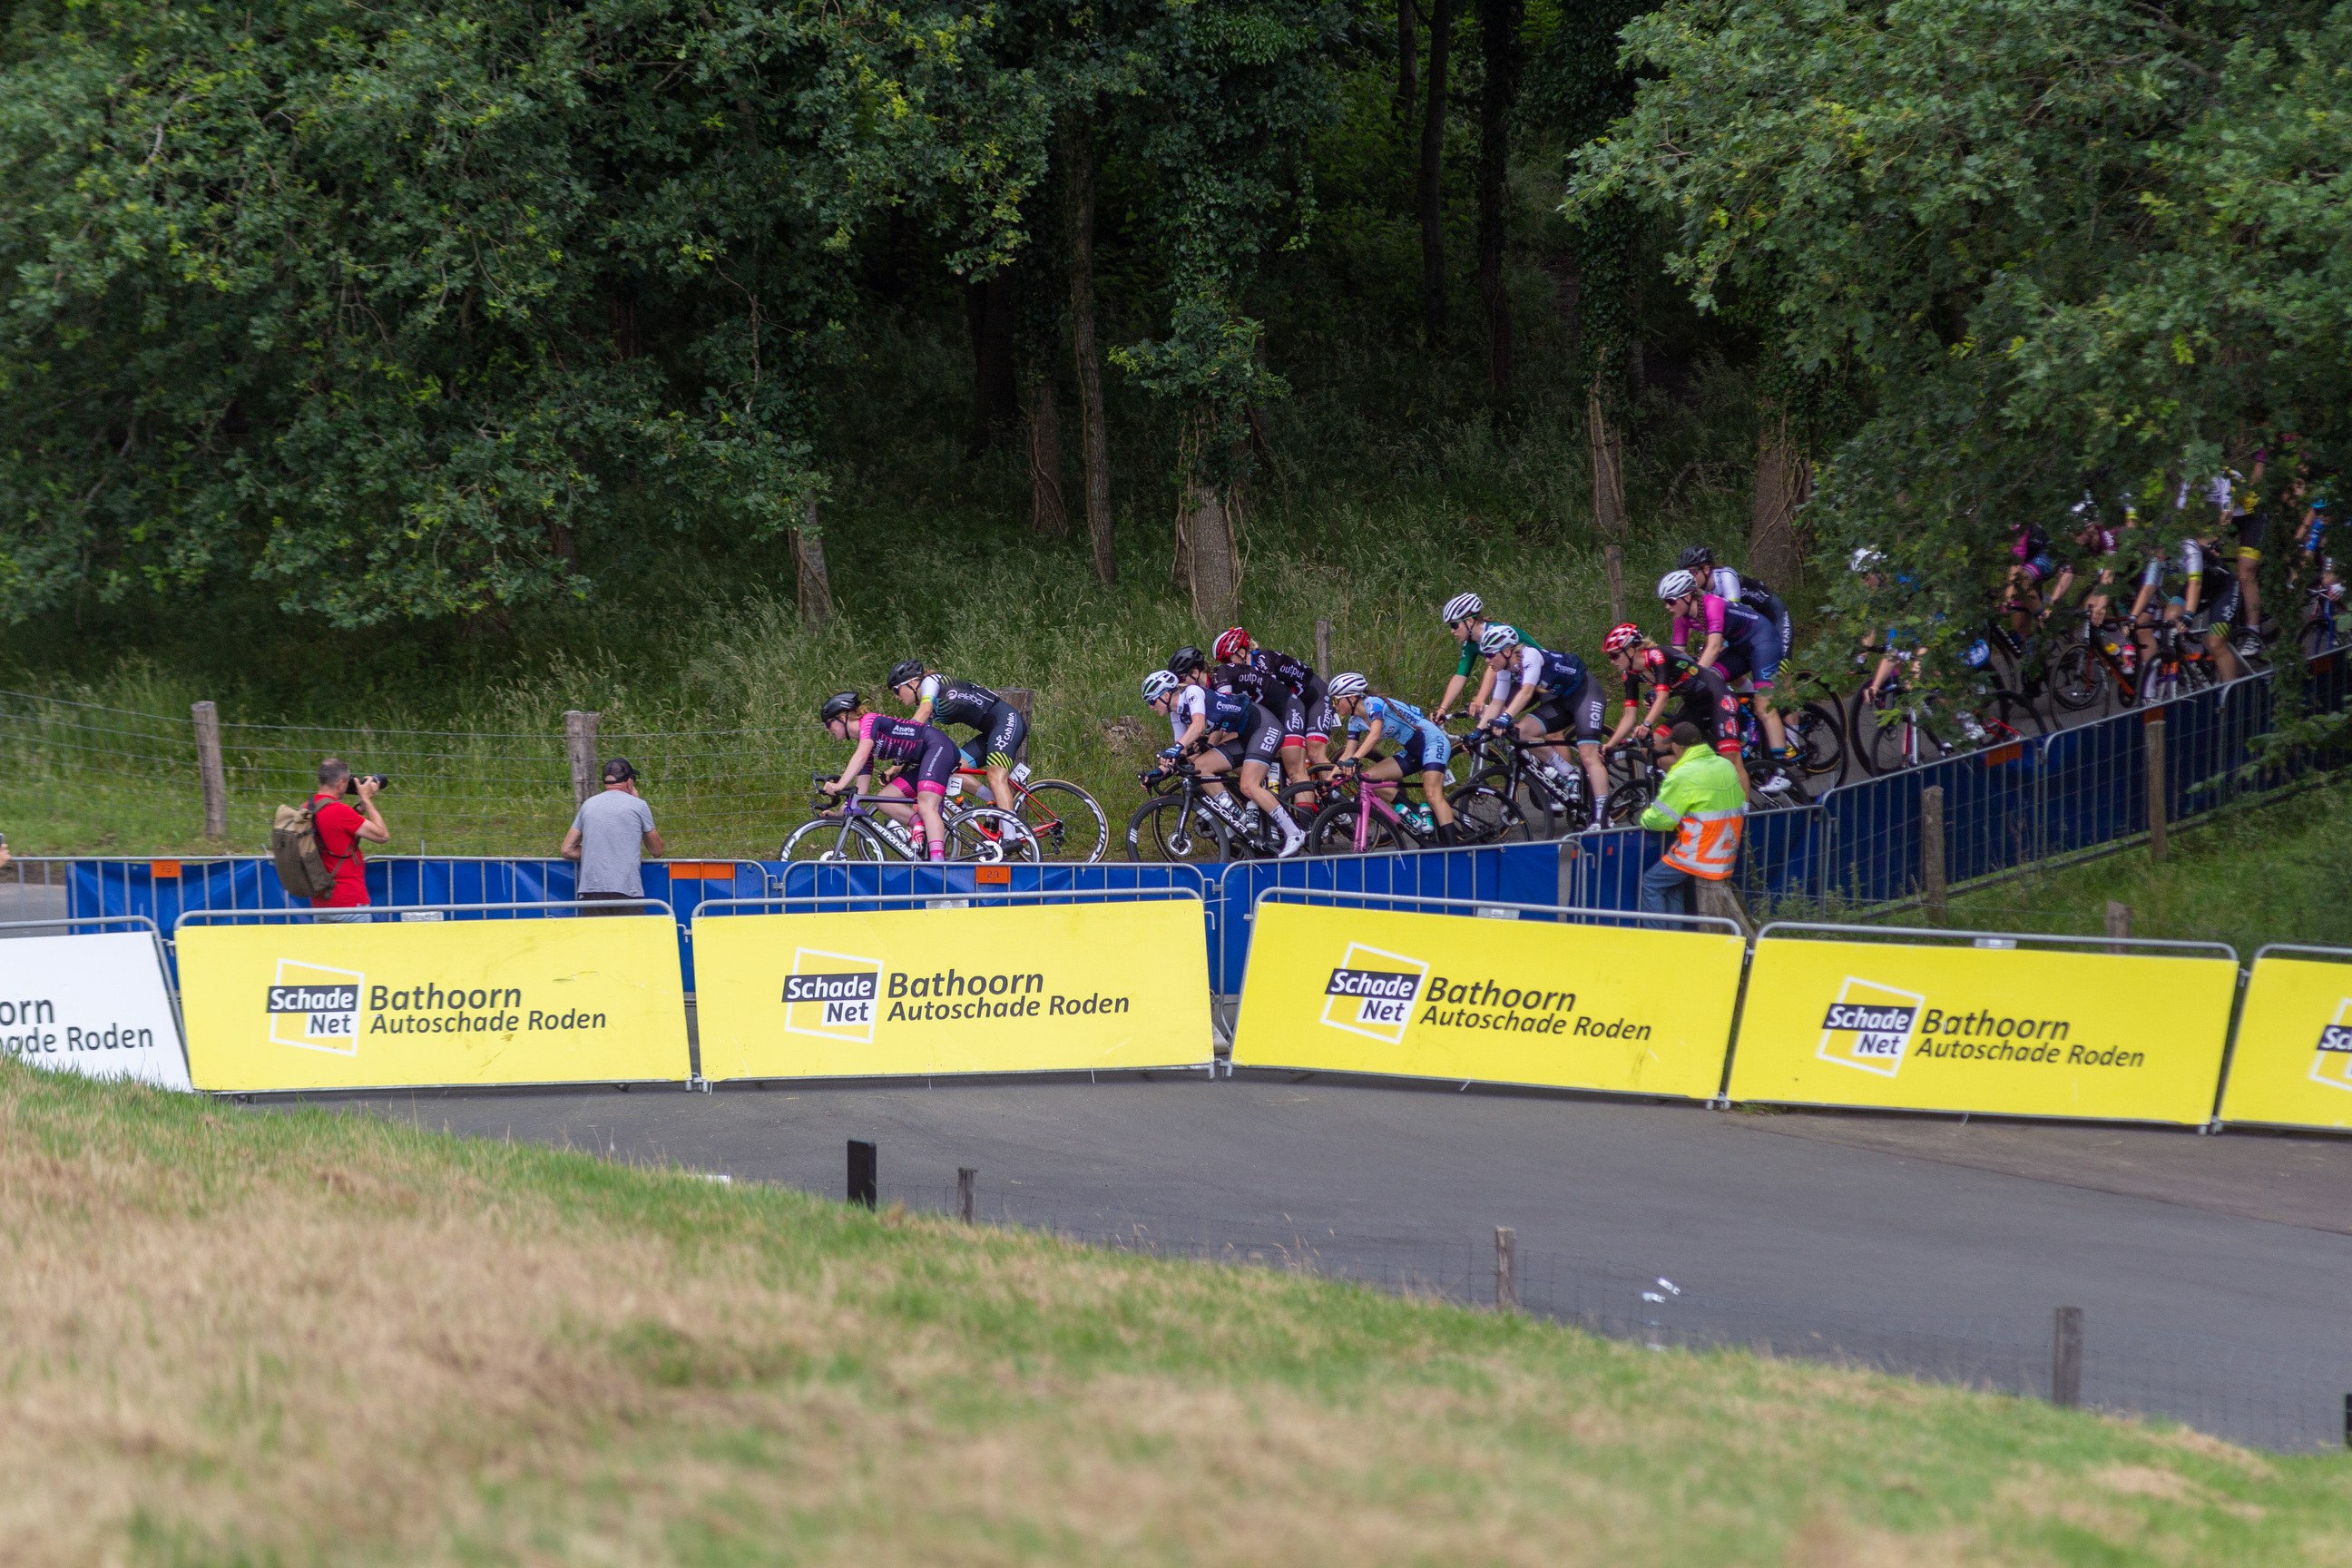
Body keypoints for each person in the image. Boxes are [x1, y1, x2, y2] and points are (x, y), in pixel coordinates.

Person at [1656, 569, 1793, 791]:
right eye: (1665, 602)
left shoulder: (1712, 604)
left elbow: (1713, 647)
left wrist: (1692, 677)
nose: (1668, 607)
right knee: (1711, 685)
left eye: (1671, 601)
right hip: (1739, 649)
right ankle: (1740, 722)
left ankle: (1782, 769)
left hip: (1763, 642)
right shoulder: (1681, 619)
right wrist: (1662, 685)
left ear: (1688, 595)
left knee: (1764, 706)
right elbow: (1676, 658)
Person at [1162, 644, 1305, 857]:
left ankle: (1295, 832)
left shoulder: (1194, 692)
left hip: (1264, 725)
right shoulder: (1178, 711)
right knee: (1200, 766)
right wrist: (1159, 771)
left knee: (1248, 785)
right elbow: (1182, 749)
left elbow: (1199, 726)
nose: (1179, 684)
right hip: (1244, 733)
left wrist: (1184, 747)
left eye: (1181, 678)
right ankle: (1240, 816)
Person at [1471, 623, 1612, 828]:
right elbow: (1496, 704)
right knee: (1522, 732)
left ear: (1508, 651)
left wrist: (1506, 717)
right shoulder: (1503, 668)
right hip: (1561, 699)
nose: (1487, 660)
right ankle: (1568, 773)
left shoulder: (1530, 656)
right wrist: (1476, 732)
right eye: (1485, 655)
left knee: (1588, 756)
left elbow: (1527, 692)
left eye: (1490, 655)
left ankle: (1603, 816)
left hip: (1585, 693)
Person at [817, 691, 958, 863]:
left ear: (842, 718)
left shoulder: (869, 721)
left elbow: (860, 755)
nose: (827, 729)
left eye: (828, 723)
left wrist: (839, 785)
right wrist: (839, 813)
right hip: (927, 757)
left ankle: (939, 864)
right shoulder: (866, 743)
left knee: (927, 805)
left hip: (937, 746)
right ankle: (919, 824)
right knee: (883, 798)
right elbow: (860, 791)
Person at [1326, 672, 1457, 845]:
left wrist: (1355, 759)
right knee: (1368, 779)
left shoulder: (1374, 704)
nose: (1335, 705)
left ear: (1351, 697)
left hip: (1432, 741)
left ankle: (1454, 849)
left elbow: (1374, 735)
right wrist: (1328, 782)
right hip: (1412, 750)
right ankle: (1417, 810)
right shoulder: (1354, 721)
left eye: (1336, 700)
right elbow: (1347, 754)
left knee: (1432, 794)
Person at [1637, 721, 1745, 921]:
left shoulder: (1682, 775)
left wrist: (1644, 817)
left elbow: (1660, 820)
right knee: (1673, 885)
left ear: (1678, 746)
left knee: (1651, 883)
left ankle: (1657, 942)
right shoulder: (1725, 765)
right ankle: (1677, 942)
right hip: (1726, 849)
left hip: (1700, 850)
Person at [887, 659, 1026, 813]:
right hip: (990, 733)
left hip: (1006, 721)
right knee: (952, 769)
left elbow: (922, 715)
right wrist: (897, 766)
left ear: (912, 683)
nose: (896, 697)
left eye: (896, 690)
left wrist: (900, 740)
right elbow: (917, 739)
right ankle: (992, 800)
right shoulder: (926, 704)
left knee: (995, 777)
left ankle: (1011, 835)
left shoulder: (931, 682)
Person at [1213, 626, 1334, 780]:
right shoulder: (1241, 673)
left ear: (1242, 653)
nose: (1225, 665)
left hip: (1315, 699)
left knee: (1315, 751)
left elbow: (1277, 700)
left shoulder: (1264, 661)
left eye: (1227, 659)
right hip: (1296, 705)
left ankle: (1335, 794)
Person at [560, 757, 665, 914]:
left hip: (591, 890)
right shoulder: (638, 805)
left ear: (604, 784)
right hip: (627, 890)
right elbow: (657, 850)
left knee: (597, 938)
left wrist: (598, 850)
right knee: (630, 938)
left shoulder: (588, 804)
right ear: (629, 782)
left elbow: (567, 850)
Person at [308, 759, 388, 922]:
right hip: (349, 901)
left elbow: (335, 829)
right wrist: (366, 799)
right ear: (341, 782)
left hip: (320, 901)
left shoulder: (307, 808)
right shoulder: (339, 811)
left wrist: (359, 808)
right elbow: (382, 835)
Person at [1431, 593, 1534, 721]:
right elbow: (1460, 676)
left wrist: (1480, 699)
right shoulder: (1470, 644)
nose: (1452, 631)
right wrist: (1442, 709)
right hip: (1522, 679)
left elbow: (1494, 668)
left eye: (1454, 625)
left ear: (1469, 621)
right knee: (1496, 716)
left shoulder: (1495, 632)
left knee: (1551, 736)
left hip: (1545, 674)